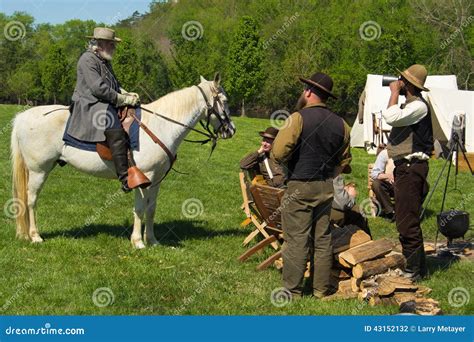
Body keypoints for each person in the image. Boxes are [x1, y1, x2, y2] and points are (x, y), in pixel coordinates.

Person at [271, 72, 351, 298]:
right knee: (323, 239)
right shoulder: (342, 124)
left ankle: (293, 291)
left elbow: (278, 151)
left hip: (299, 185)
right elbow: (344, 161)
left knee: (296, 239)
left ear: (308, 92)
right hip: (326, 186)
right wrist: (328, 175)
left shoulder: (297, 118)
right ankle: (320, 289)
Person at [66, 27, 148, 192]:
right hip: (90, 103)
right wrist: (122, 99)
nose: (114, 48)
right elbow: (98, 89)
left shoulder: (104, 61)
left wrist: (126, 93)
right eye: (112, 44)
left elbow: (114, 85)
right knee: (115, 126)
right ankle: (125, 177)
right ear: (100, 44)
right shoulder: (87, 60)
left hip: (104, 100)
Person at [382, 64, 433, 281]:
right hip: (407, 168)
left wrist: (393, 92)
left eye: (401, 80)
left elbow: (390, 117)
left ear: (409, 84)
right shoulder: (411, 105)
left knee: (406, 221)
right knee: (406, 218)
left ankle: (413, 270)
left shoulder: (419, 106)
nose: (398, 82)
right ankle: (418, 267)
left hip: (412, 169)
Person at [370, 147, 395, 221]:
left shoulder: (410, 153)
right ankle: (390, 212)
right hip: (389, 184)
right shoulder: (385, 154)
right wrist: (388, 176)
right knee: (376, 184)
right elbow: (374, 174)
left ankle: (408, 212)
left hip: (403, 184)